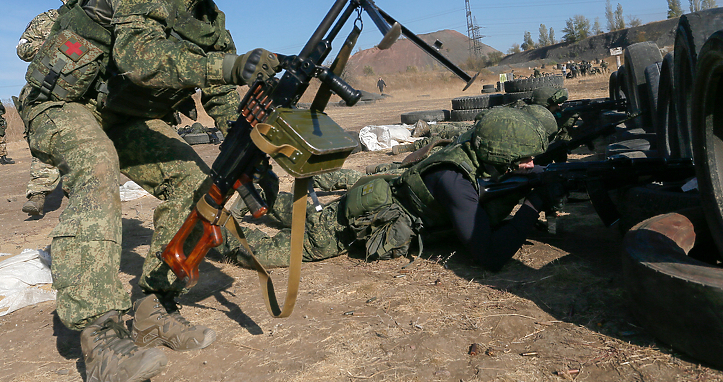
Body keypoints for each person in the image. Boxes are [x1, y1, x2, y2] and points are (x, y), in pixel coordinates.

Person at [17, 0, 281, 382]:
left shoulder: (207, 18)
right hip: (64, 105)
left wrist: (255, 152)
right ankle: (99, 339)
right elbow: (140, 58)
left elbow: (223, 98)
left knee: (197, 185)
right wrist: (227, 65)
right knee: (96, 166)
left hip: (122, 117)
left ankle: (153, 308)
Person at [218, 107, 560, 273]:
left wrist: (543, 178)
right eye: (525, 160)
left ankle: (259, 203)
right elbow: (490, 256)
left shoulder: (476, 154)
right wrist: (534, 203)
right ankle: (216, 230)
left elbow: (514, 180)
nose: (530, 164)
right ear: (502, 154)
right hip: (353, 222)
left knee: (303, 214)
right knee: (270, 253)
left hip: (381, 196)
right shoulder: (455, 180)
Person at [16, 0, 80, 216]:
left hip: (78, 87)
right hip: (45, 85)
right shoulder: (44, 21)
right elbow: (22, 50)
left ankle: (79, 191)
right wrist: (50, 45)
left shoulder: (88, 24)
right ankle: (38, 194)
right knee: (47, 138)